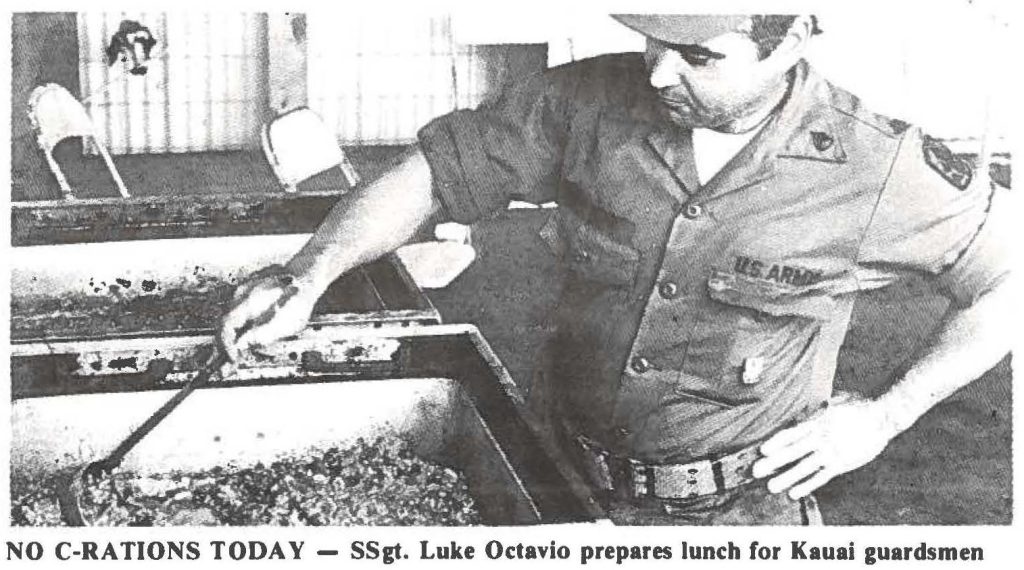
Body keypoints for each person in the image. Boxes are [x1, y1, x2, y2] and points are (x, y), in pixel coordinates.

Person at [220, 14, 1012, 525]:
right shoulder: (587, 100)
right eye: (652, 42)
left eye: (697, 56)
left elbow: (1009, 282)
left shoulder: (876, 167)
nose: (660, 74)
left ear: (794, 38)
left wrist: (886, 415)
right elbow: (436, 170)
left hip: (736, 516)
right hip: (558, 475)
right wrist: (308, 276)